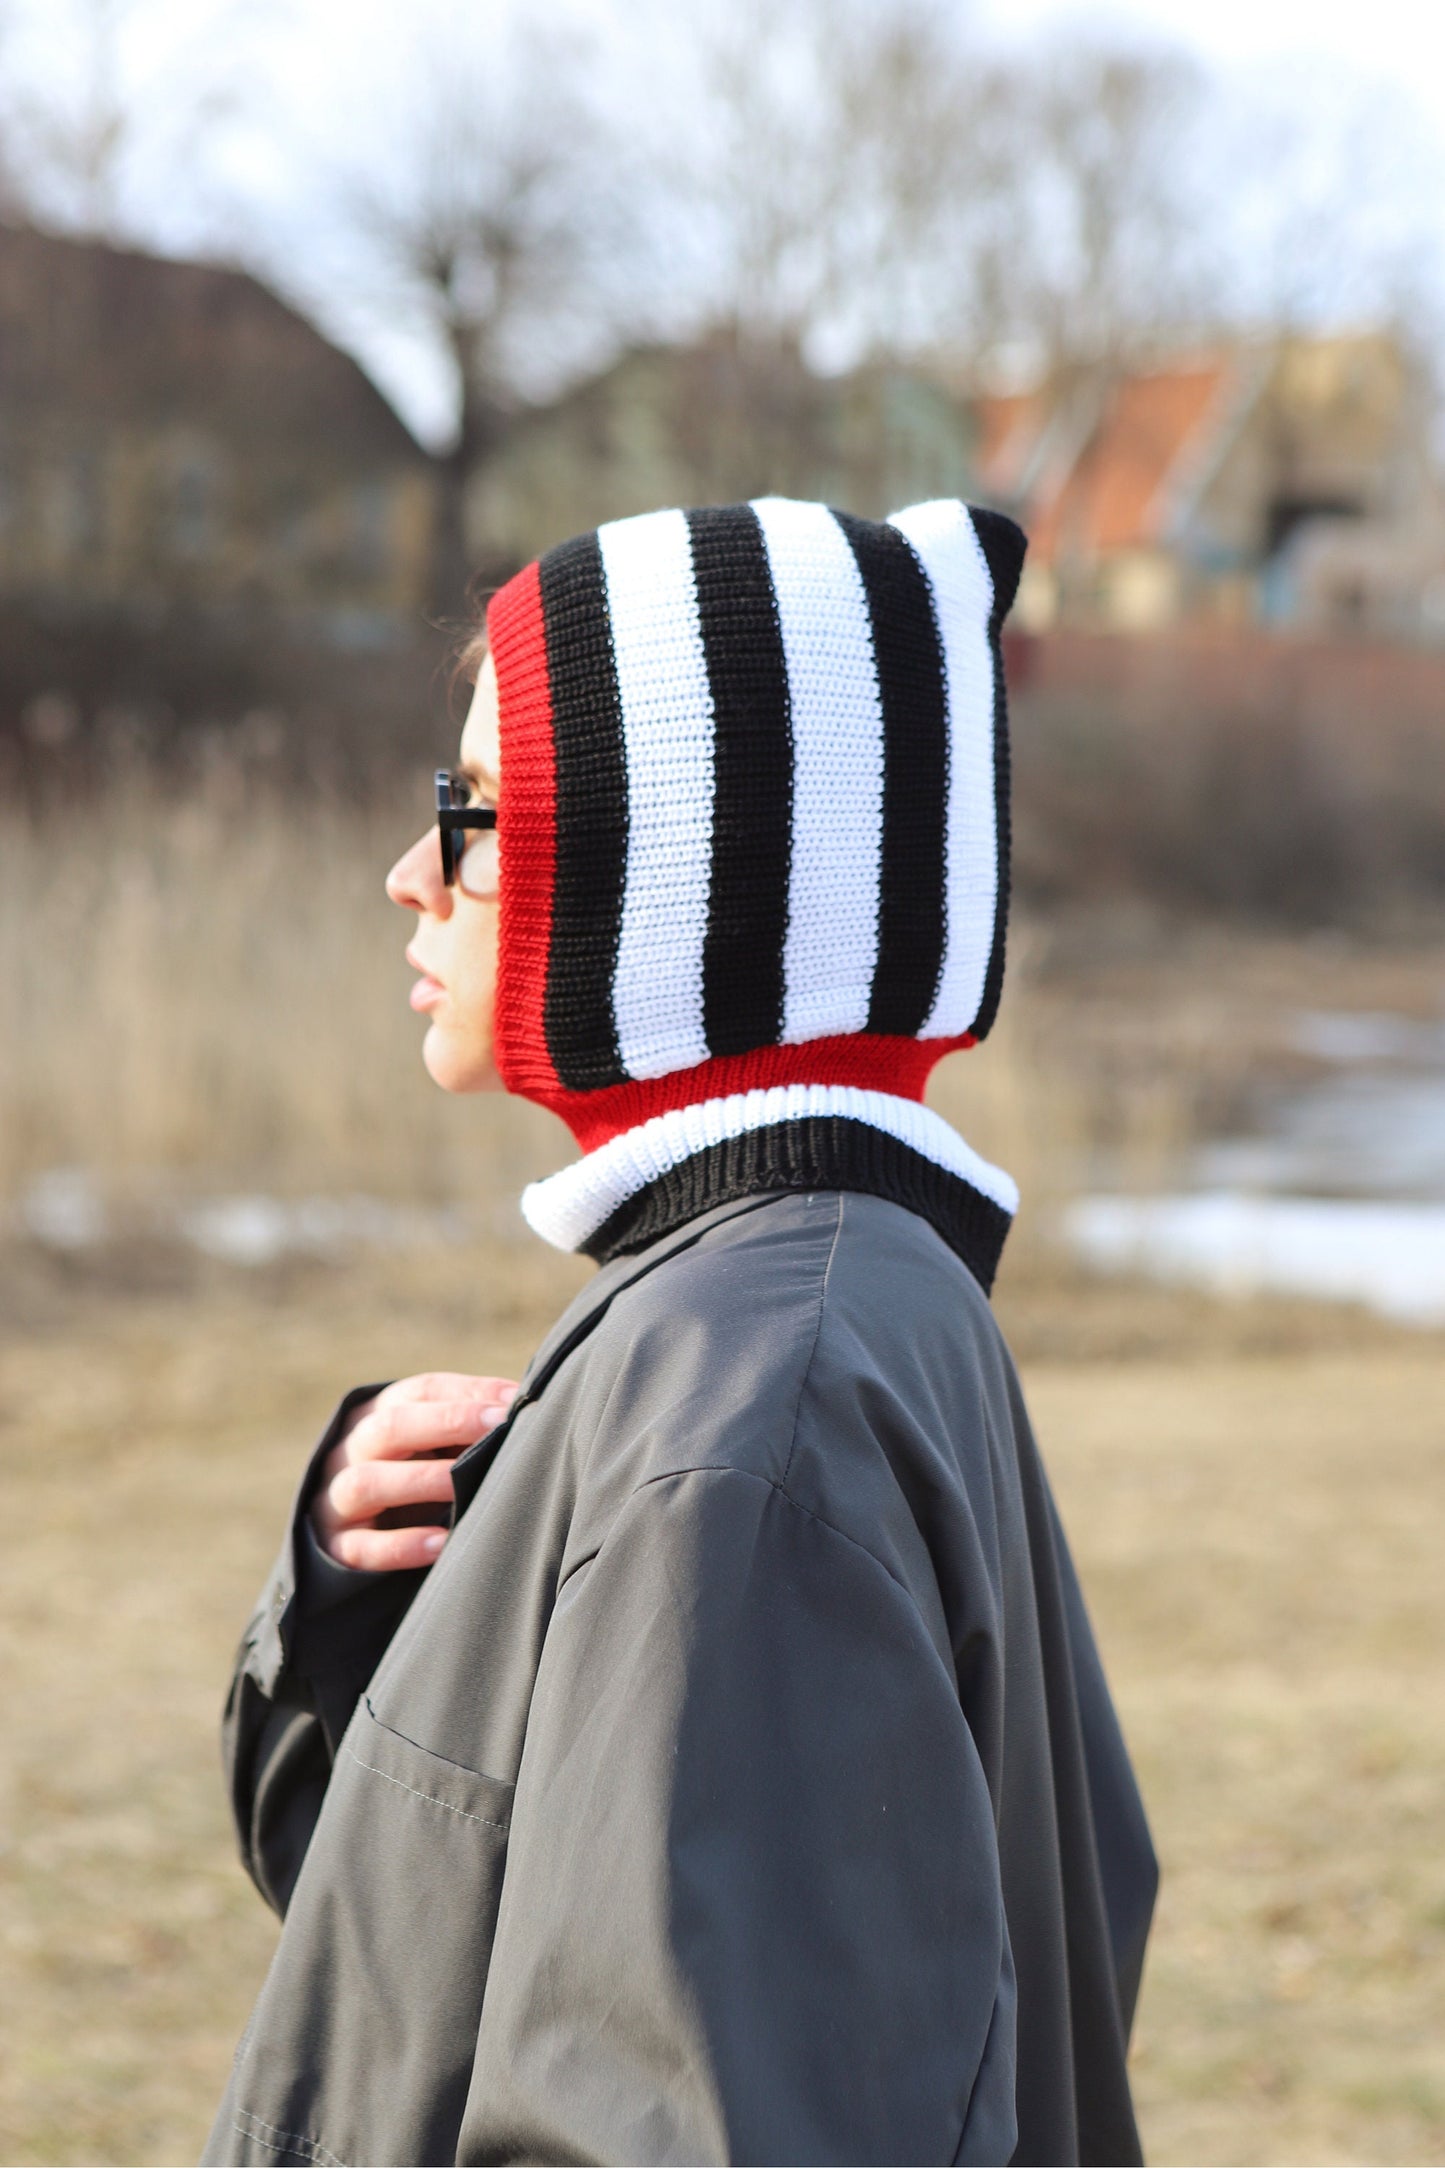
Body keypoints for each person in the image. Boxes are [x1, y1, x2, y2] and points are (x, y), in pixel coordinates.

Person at [204, 496, 1157, 2168]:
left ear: (667, 870)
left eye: (475, 813)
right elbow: (486, 1978)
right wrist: (371, 1628)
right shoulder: (835, 1296)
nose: (413, 874)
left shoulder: (743, 1407)